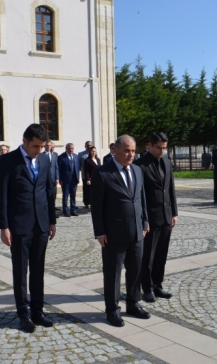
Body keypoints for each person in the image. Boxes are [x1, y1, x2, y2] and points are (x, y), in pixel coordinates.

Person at [0, 124, 57, 333]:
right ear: (25, 141)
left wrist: (52, 220)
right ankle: (23, 313)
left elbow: (49, 191)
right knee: (21, 272)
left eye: (42, 146)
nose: (39, 150)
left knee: (38, 270)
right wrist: (4, 226)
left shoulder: (44, 160)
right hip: (19, 226)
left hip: (41, 224)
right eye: (35, 146)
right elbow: (2, 196)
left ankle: (38, 311)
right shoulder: (7, 161)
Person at [91, 135, 150, 327]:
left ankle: (133, 303)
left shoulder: (138, 171)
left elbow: (141, 198)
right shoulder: (102, 173)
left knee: (135, 270)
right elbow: (97, 206)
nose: (131, 154)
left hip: (137, 232)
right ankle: (112, 310)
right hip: (113, 233)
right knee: (113, 273)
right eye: (127, 150)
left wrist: (145, 222)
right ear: (115, 150)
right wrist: (100, 232)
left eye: (133, 151)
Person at [134, 132, 177, 303]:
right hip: (150, 218)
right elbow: (140, 195)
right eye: (159, 147)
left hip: (166, 216)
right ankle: (147, 287)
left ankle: (158, 284)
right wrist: (144, 220)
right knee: (148, 256)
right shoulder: (140, 165)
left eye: (165, 148)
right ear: (149, 146)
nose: (162, 151)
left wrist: (174, 212)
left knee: (161, 254)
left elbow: (170, 188)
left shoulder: (166, 161)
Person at [58, 143, 80, 217]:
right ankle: (65, 211)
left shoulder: (76, 157)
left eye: (72, 148)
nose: (71, 150)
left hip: (74, 180)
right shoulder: (61, 157)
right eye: (69, 148)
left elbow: (77, 168)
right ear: (66, 149)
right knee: (65, 196)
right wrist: (60, 179)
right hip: (65, 180)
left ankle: (73, 210)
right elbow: (59, 169)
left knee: (73, 196)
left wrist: (78, 178)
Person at [43, 141, 60, 214]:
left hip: (53, 179)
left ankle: (52, 212)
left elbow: (56, 167)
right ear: (44, 146)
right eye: (47, 145)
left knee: (53, 196)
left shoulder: (54, 155)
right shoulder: (41, 155)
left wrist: (57, 178)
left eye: (49, 145)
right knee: (45, 195)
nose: (48, 147)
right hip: (44, 179)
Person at [78, 141, 94, 208]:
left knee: (93, 189)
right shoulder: (81, 154)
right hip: (85, 174)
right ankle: (86, 202)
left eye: (90, 145)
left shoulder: (94, 153)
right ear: (85, 146)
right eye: (87, 145)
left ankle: (92, 202)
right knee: (86, 189)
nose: (89, 146)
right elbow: (78, 164)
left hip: (93, 174)